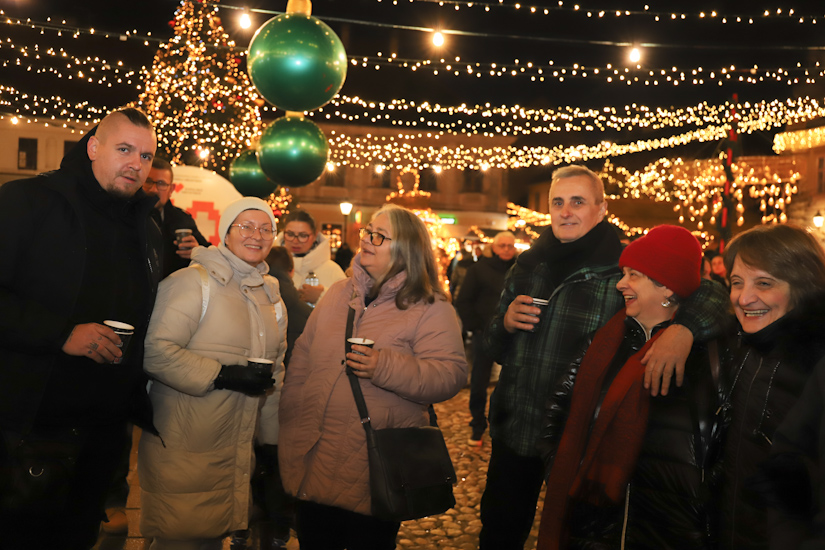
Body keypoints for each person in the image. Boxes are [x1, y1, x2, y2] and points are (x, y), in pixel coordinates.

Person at [477, 165, 729, 550]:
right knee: (498, 533)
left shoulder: (625, 265)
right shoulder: (528, 266)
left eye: (578, 202)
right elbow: (492, 346)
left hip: (580, 433)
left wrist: (685, 329)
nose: (565, 211)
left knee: (570, 536)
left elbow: (707, 294)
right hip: (516, 428)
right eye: (557, 202)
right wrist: (505, 324)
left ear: (602, 208)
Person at [0, 107, 162, 550]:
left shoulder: (145, 228)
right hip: (28, 425)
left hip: (101, 436)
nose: (136, 164)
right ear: (93, 147)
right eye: (124, 149)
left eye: (146, 156)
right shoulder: (28, 201)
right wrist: (62, 334)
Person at [278, 204, 468, 550]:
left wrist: (383, 367)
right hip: (317, 456)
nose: (366, 239)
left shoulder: (430, 306)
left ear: (406, 248)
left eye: (379, 236)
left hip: (374, 465)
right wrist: (293, 412)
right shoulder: (338, 293)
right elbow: (304, 354)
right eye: (368, 232)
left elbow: (450, 374)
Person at [536, 225, 726, 550]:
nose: (620, 283)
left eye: (633, 275)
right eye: (623, 273)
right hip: (592, 525)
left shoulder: (705, 355)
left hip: (667, 531)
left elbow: (723, 446)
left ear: (667, 286)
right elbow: (557, 410)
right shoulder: (602, 342)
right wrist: (562, 469)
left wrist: (701, 506)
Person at [138, 197, 287, 550]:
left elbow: (275, 374)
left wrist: (271, 444)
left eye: (266, 228)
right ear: (225, 232)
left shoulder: (271, 296)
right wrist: (221, 375)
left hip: (235, 447)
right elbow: (154, 351)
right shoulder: (192, 282)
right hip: (184, 443)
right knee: (180, 538)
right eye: (246, 226)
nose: (257, 235)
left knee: (212, 537)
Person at [718, 224, 825, 550]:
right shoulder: (737, 345)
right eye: (737, 282)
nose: (744, 298)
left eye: (764, 283)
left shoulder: (815, 364)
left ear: (802, 286)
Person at [455, 231, 518, 445]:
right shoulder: (479, 269)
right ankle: (478, 423)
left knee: (512, 380)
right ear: (494, 247)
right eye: (503, 245)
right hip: (484, 332)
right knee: (480, 380)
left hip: (513, 334)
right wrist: (476, 327)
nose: (507, 249)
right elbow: (464, 300)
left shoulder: (521, 269)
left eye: (510, 245)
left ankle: (505, 424)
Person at [144, 157, 211, 278]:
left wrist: (198, 252)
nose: (154, 189)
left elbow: (209, 254)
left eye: (161, 183)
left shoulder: (183, 220)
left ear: (171, 189)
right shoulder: (124, 215)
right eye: (148, 181)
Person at [276, 209, 346, 307]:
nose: (295, 241)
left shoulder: (332, 270)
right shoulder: (270, 266)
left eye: (303, 235)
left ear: (314, 236)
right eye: (290, 234)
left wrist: (321, 296)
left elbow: (347, 305)